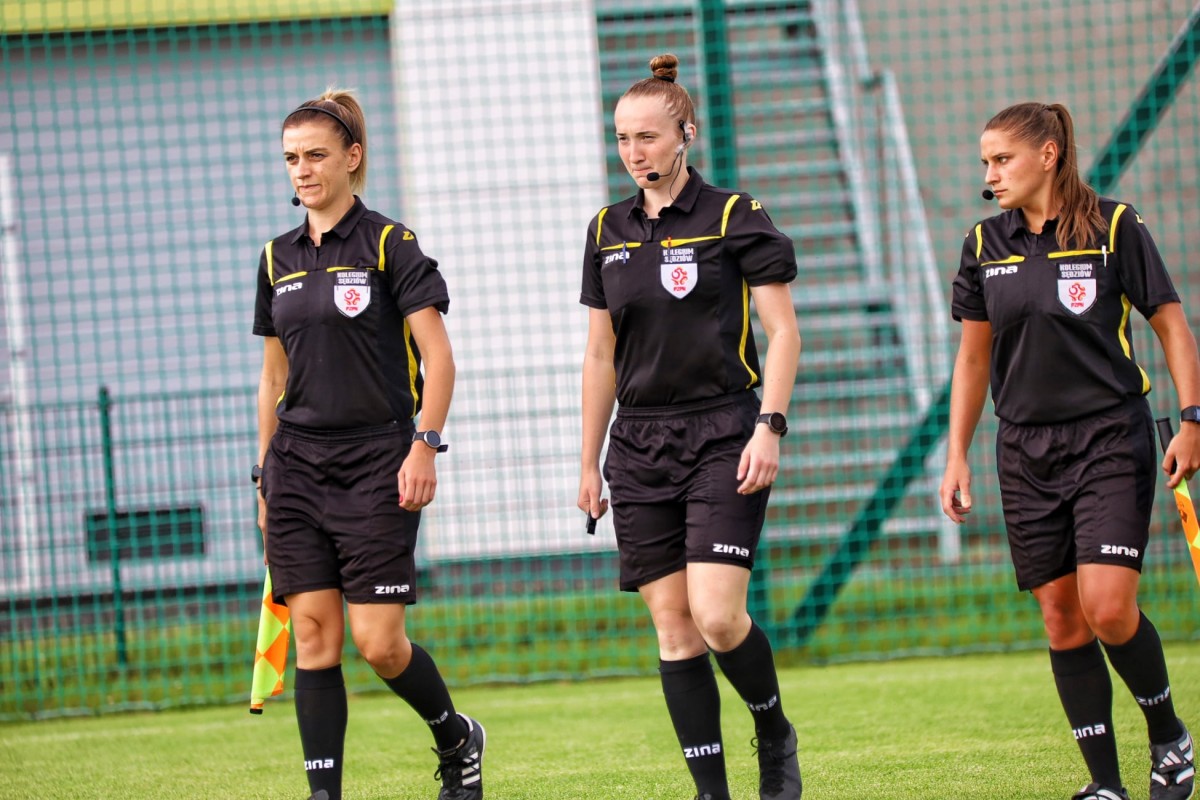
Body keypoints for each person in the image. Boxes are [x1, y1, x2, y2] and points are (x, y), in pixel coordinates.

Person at [940, 101, 1197, 800]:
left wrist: (1193, 419)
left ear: (1048, 155)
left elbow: (1171, 325)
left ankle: (1169, 737)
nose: (990, 175)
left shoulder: (1115, 226)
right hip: (1024, 451)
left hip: (1110, 439)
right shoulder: (982, 243)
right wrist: (957, 453)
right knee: (1061, 616)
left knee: (1107, 607)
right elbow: (972, 360)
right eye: (986, 162)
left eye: (1002, 160)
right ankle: (1105, 785)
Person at [577, 54, 804, 800]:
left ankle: (772, 730)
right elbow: (600, 354)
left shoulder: (734, 216)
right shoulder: (606, 229)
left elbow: (783, 333)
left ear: (685, 135)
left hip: (723, 434)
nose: (634, 152)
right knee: (674, 629)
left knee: (718, 617)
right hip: (638, 444)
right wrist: (587, 462)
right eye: (623, 138)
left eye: (648, 136)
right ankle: (712, 793)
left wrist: (769, 426)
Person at [252, 88, 485, 800]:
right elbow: (272, 379)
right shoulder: (275, 257)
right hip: (296, 468)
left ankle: (456, 737)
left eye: (316, 155)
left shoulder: (389, 244)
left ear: (352, 157)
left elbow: (438, 358)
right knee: (314, 641)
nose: (302, 169)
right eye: (291, 158)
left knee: (379, 644)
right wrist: (263, 476)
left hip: (379, 463)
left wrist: (425, 446)